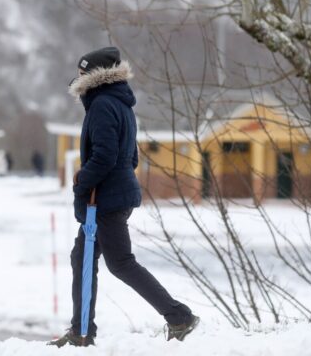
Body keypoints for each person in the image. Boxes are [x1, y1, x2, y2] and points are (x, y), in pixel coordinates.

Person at [49, 47, 199, 348]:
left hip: (105, 200)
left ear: (93, 77)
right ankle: (81, 331)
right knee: (82, 258)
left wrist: (82, 180)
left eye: (82, 73)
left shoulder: (103, 106)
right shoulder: (121, 105)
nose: (77, 79)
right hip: (112, 196)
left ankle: (178, 316)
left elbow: (106, 156)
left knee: (121, 263)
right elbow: (130, 157)